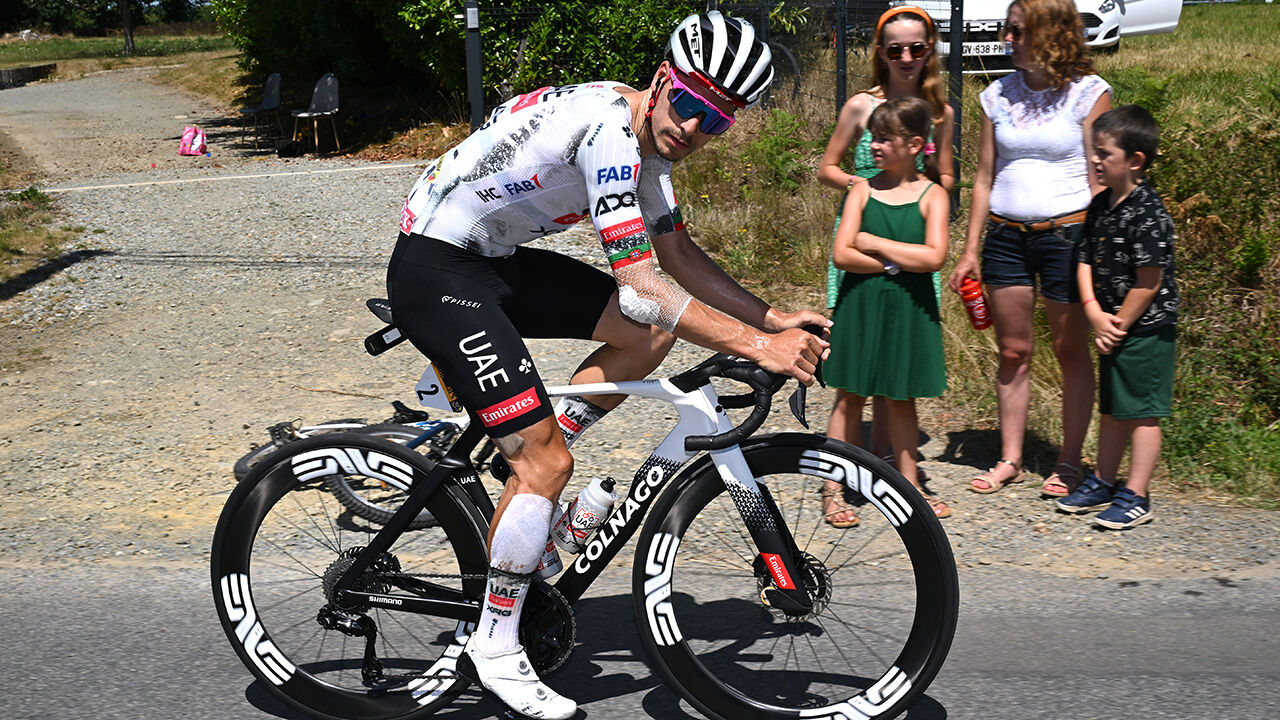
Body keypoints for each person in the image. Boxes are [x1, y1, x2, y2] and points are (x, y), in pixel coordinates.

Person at [386, 11, 830, 719]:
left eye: (715, 121)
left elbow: (677, 256)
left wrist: (771, 318)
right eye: (688, 104)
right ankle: (495, 646)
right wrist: (758, 348)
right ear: (662, 81)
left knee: (645, 341)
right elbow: (645, 288)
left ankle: (529, 462)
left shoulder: (649, 147)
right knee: (550, 462)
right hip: (438, 266)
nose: (692, 128)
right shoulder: (609, 132)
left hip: (489, 259)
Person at [947, 0, 1112, 498]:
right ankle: (1011, 458)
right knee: (1014, 351)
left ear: (1050, 32)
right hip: (1005, 237)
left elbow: (1098, 176)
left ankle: (1069, 461)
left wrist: (1100, 247)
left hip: (1068, 236)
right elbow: (983, 177)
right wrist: (970, 248)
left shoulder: (1089, 94)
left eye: (1018, 31)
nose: (1007, 40)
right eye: (1008, 30)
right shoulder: (997, 95)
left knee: (1069, 350)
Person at [817, 4, 955, 527]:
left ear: (928, 51)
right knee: (852, 374)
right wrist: (864, 190)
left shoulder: (939, 111)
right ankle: (835, 487)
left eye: (916, 48)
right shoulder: (861, 106)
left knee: (897, 372)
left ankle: (901, 480)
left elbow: (944, 177)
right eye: (894, 48)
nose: (905, 57)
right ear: (880, 52)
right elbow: (830, 166)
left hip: (911, 240)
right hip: (862, 240)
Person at [1056, 104, 1177, 529]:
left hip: (1145, 330)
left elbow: (1148, 282)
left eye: (1104, 153)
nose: (1094, 160)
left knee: (1142, 412)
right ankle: (1104, 481)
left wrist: (1118, 324)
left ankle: (1136, 493)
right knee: (1113, 409)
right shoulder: (1100, 206)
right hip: (1110, 326)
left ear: (1134, 161)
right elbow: (1084, 258)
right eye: (1093, 151)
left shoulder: (1148, 212)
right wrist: (1093, 312)